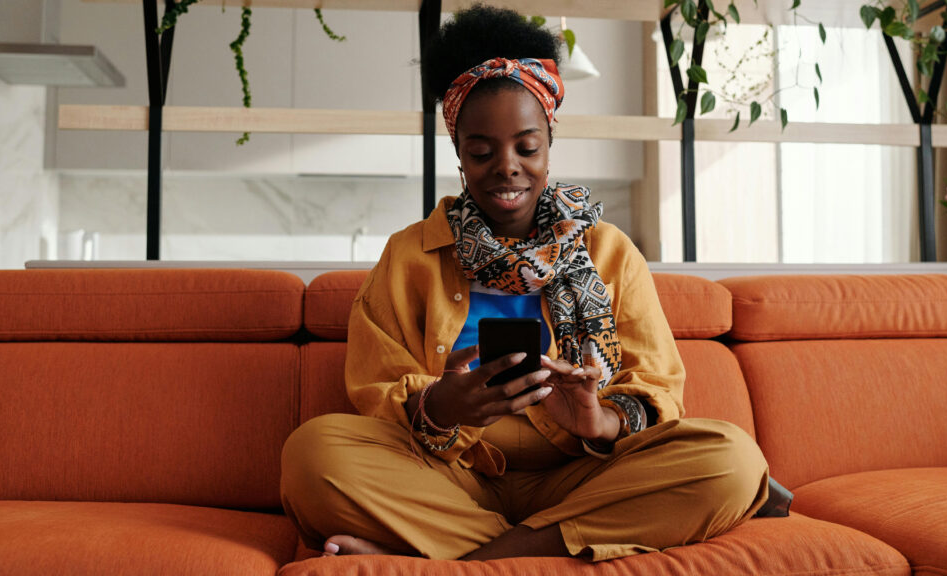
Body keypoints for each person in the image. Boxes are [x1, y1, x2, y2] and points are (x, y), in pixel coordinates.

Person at [280, 4, 769, 562]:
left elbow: (657, 388)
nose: (507, 166)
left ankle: (463, 560)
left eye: (526, 147)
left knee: (732, 460)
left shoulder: (608, 252)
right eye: (482, 151)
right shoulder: (408, 255)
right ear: (460, 154)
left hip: (583, 475)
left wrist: (600, 419)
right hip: (450, 476)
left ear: (549, 143)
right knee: (312, 455)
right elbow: (374, 392)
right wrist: (442, 405)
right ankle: (545, 547)